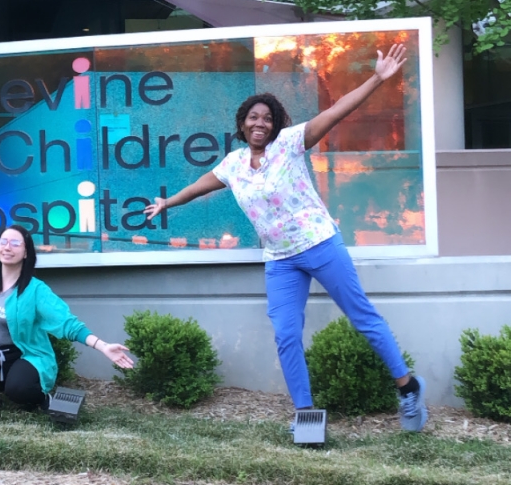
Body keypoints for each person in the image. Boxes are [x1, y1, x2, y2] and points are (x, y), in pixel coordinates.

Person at [144, 43, 427, 432]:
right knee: (286, 334)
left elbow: (337, 109)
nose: (259, 123)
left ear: (275, 124)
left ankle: (408, 387)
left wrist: (377, 78)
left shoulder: (290, 144)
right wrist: (167, 203)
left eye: (267, 118)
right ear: (242, 123)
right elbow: (197, 187)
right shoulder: (234, 164)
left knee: (363, 318)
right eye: (252, 117)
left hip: (320, 244)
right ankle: (306, 415)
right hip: (280, 260)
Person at [0, 225, 134, 408]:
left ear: (25, 252)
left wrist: (102, 346)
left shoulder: (35, 290)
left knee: (19, 389)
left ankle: (41, 399)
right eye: (3, 241)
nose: (7, 247)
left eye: (15, 243)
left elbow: (68, 324)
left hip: (24, 356)